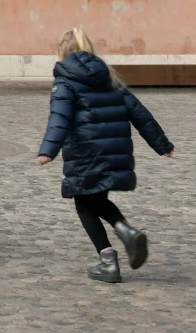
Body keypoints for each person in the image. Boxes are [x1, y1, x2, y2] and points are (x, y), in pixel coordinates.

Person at [35, 27, 175, 284]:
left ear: (62, 51)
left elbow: (59, 118)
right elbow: (139, 112)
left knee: (84, 202)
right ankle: (125, 231)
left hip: (85, 152)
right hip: (113, 152)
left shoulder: (65, 80)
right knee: (94, 199)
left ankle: (108, 260)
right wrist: (161, 143)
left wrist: (48, 150)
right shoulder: (108, 76)